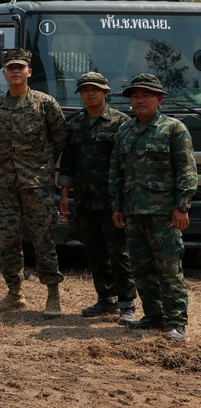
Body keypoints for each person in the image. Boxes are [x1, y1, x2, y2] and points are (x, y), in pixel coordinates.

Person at [109, 73, 197, 342]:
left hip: (164, 214)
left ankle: (176, 321)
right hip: (134, 211)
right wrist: (117, 206)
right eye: (134, 95)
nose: (139, 100)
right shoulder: (125, 130)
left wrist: (182, 207)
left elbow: (187, 170)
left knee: (169, 268)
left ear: (159, 99)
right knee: (141, 268)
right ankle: (153, 315)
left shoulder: (174, 129)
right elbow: (117, 171)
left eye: (145, 95)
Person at [0, 49, 66, 317]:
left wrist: (41, 167)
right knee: (7, 239)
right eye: (11, 68)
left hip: (37, 184)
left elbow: (59, 139)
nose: (16, 71)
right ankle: (15, 294)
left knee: (44, 240)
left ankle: (52, 296)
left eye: (21, 67)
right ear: (4, 73)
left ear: (29, 72)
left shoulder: (45, 104)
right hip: (6, 184)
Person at [58, 72, 135, 323]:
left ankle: (127, 304)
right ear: (80, 94)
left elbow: (127, 164)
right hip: (85, 199)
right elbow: (68, 162)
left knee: (119, 252)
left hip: (112, 200)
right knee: (94, 251)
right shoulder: (74, 123)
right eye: (85, 89)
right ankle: (106, 299)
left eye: (96, 89)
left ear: (106, 92)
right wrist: (64, 195)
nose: (91, 93)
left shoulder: (121, 123)